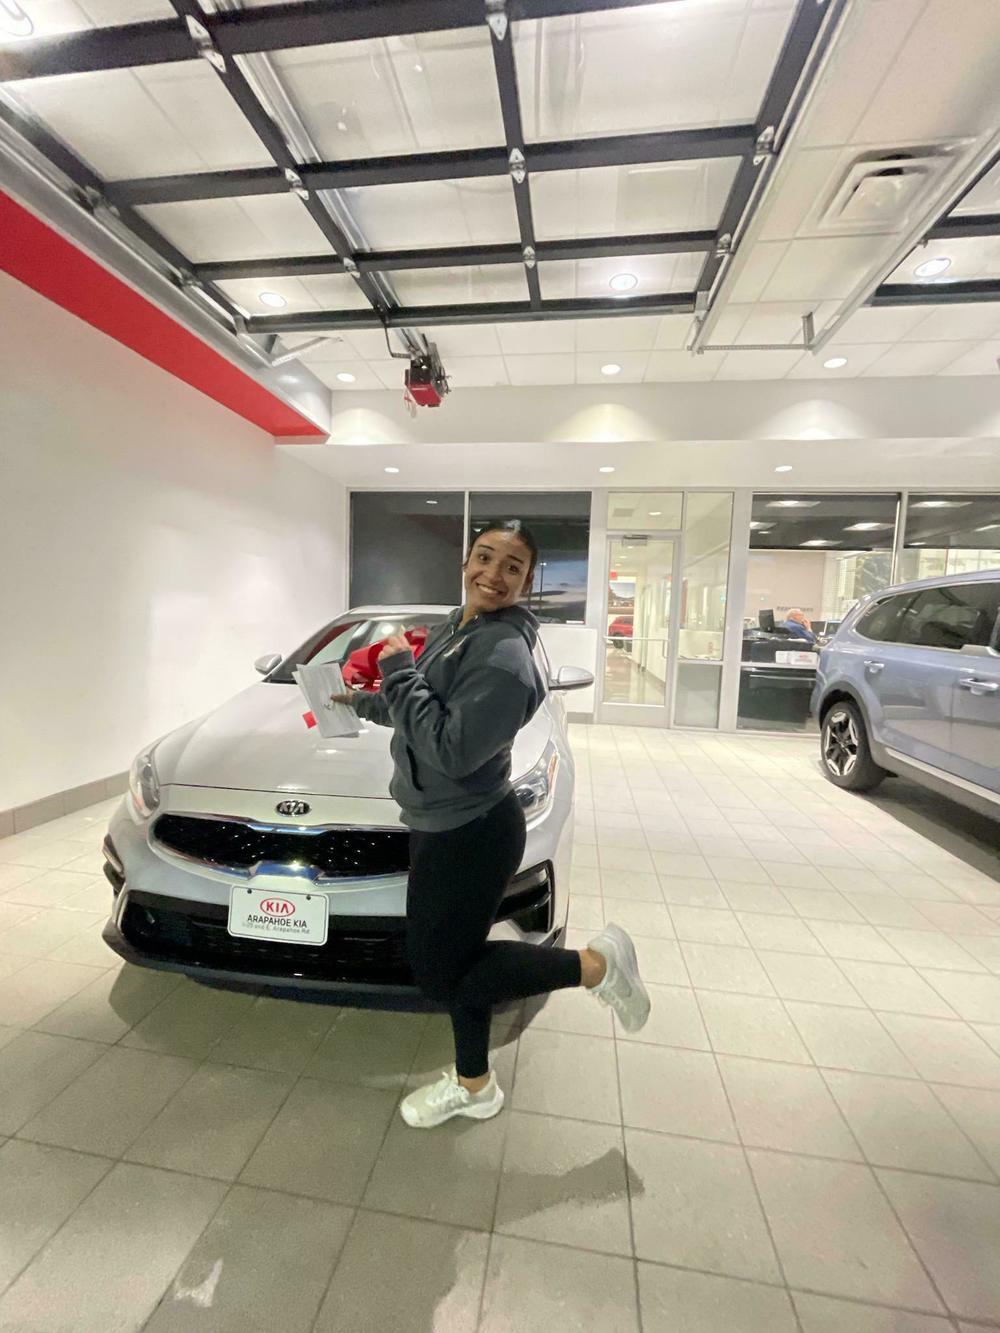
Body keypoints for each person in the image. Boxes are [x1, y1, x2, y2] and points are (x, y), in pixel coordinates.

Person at [331, 519, 650, 1129]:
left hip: (472, 831)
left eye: (511, 567)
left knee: (438, 971)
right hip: (437, 820)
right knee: (460, 964)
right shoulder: (460, 627)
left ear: (527, 581)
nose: (492, 575)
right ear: (466, 560)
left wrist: (396, 671)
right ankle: (475, 1085)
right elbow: (423, 707)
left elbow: (451, 750)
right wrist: (362, 701)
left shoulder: (504, 658)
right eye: (484, 557)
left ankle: (596, 965)